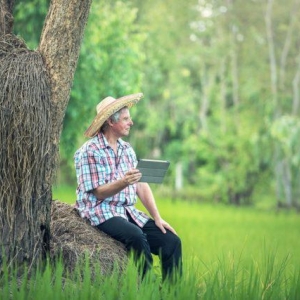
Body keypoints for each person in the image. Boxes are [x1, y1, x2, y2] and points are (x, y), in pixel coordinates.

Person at [74, 93, 182, 281]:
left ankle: (174, 293)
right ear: (110, 122)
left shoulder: (127, 150)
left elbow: (141, 184)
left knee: (171, 241)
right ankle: (149, 289)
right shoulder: (89, 152)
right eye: (125, 119)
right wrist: (123, 182)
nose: (131, 122)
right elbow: (98, 193)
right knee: (136, 236)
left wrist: (157, 218)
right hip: (99, 211)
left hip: (126, 211)